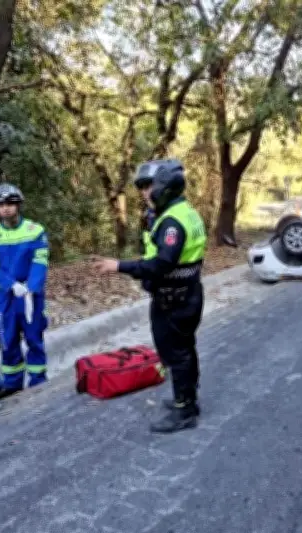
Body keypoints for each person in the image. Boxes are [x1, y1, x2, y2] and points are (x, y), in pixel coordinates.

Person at [94, 159, 207, 434]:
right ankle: (188, 399)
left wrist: (119, 266)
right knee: (184, 350)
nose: (145, 193)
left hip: (174, 299)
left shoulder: (172, 223)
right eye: (142, 187)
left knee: (176, 354)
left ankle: (184, 410)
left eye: (149, 186)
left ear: (166, 187)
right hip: (185, 294)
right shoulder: (183, 212)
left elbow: (160, 264)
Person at [0, 183, 49, 394]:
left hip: (30, 294)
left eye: (10, 203)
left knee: (34, 337)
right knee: (7, 341)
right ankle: (12, 384)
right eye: (0, 205)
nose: (5, 208)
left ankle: (38, 382)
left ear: (18, 205)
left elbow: (40, 260)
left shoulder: (35, 231)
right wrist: (11, 285)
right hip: (4, 296)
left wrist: (31, 286)